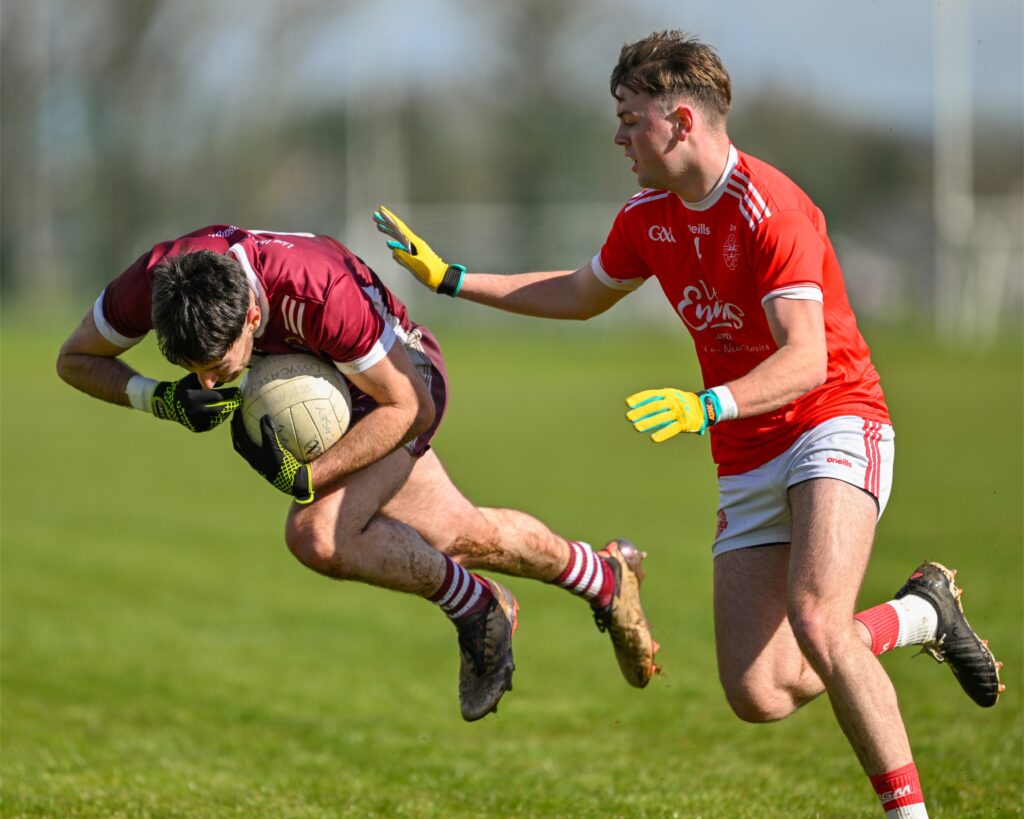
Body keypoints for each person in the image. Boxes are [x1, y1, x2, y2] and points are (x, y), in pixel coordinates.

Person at [372, 29, 1003, 817]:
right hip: (746, 451)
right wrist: (455, 279)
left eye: (630, 117)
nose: (618, 135)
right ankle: (919, 612)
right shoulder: (648, 217)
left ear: (679, 121)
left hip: (832, 418)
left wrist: (706, 403)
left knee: (816, 618)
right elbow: (579, 291)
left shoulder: (771, 207)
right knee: (760, 690)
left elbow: (804, 358)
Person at [55, 225, 659, 722]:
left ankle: (476, 607)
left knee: (317, 534)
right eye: (193, 370)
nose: (211, 384)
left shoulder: (316, 292)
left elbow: (410, 405)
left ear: (253, 314)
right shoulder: (157, 281)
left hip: (403, 383)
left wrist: (308, 477)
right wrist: (155, 397)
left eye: (218, 366)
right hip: (338, 386)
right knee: (457, 536)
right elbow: (74, 359)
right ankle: (603, 577)